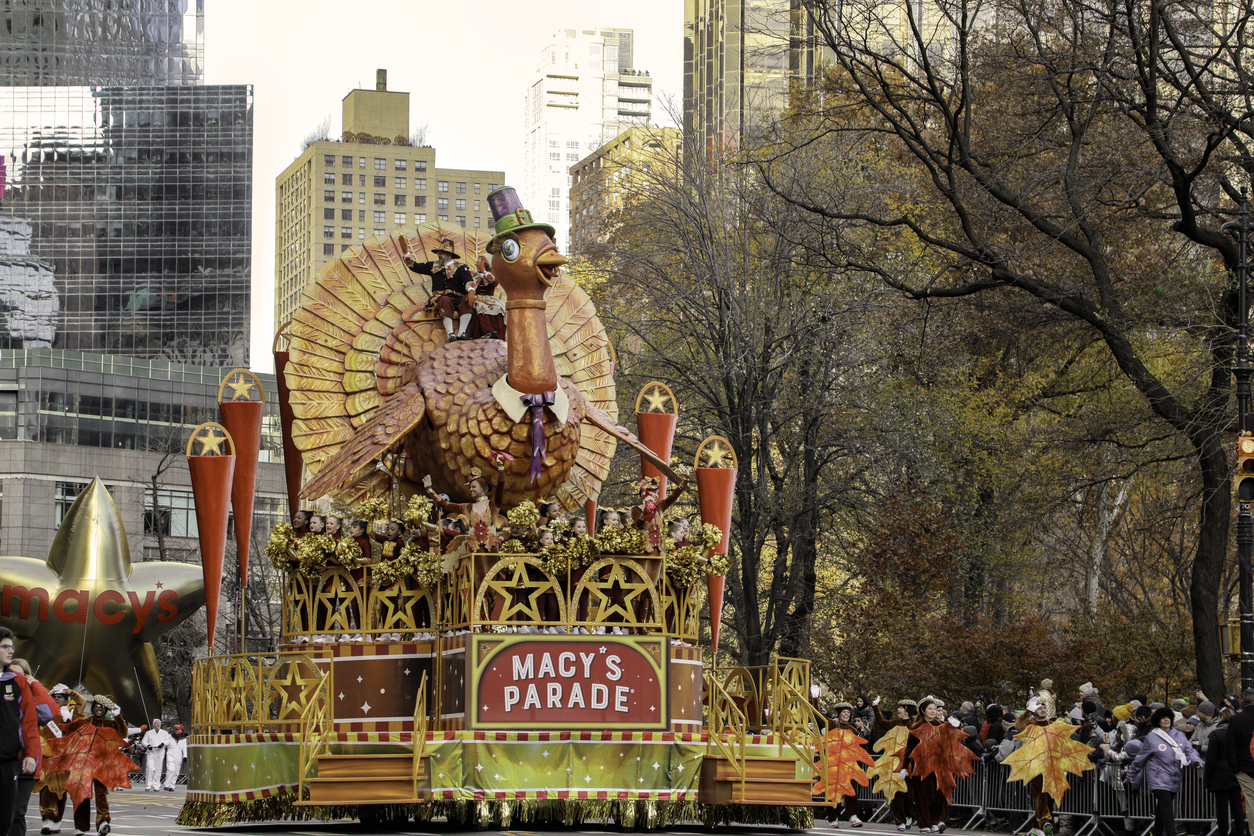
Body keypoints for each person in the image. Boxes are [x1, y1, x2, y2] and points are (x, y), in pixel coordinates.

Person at [42, 696, 132, 836]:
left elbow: (123, 733)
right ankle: (81, 827)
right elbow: (68, 733)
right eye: (97, 705)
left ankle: (103, 821)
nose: (99, 709)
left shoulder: (109, 723)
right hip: (83, 764)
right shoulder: (84, 722)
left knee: (101, 794)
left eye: (103, 707)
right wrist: (65, 718)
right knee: (81, 796)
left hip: (102, 764)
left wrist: (118, 716)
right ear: (93, 706)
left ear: (106, 710)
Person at [1126, 706, 1202, 836]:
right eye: (1163, 718)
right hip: (1158, 778)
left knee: (1162, 809)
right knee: (1166, 805)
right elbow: (1140, 758)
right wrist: (1130, 776)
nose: (1166, 720)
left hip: (1175, 777)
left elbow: (1189, 751)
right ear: (1158, 721)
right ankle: (1171, 833)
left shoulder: (1179, 735)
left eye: (1168, 717)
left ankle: (1157, 833)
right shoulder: (1152, 737)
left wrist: (1196, 761)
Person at [0, 631, 40, 836]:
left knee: (7, 818)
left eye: (12, 647)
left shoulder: (17, 681)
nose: (11, 651)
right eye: (5, 647)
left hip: (8, 761)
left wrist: (31, 754)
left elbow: (29, 722)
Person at [6, 657, 51, 836]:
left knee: (17, 812)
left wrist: (36, 686)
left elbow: (48, 714)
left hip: (27, 760)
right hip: (7, 758)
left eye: (20, 675)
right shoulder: (6, 693)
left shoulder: (32, 696)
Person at [402, 236, 474, 341]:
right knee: (444, 300)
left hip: (457, 297)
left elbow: (468, 279)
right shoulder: (433, 266)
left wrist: (471, 291)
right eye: (438, 253)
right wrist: (406, 253)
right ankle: (450, 334)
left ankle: (462, 333)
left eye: (441, 253)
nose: (439, 254)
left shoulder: (461, 267)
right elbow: (414, 266)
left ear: (449, 255)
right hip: (440, 297)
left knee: (466, 301)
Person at [38, 685, 82, 835]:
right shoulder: (44, 713)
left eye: (60, 696)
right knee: (45, 789)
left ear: (66, 700)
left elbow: (81, 702)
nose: (57, 698)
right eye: (54, 696)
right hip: (47, 758)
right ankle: (47, 819)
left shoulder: (70, 714)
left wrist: (70, 692)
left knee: (60, 792)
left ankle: (57, 820)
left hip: (65, 759)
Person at [1205, 708, 1246, 836]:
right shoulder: (1238, 733)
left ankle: (1223, 832)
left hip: (1220, 774)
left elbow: (1211, 758)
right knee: (1237, 805)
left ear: (1221, 718)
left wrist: (1208, 778)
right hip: (1236, 772)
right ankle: (1240, 831)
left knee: (1222, 806)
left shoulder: (1216, 734)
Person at [1225, 688, 1254, 825]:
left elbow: (1231, 745)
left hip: (1245, 768)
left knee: (1252, 803)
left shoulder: (1236, 720)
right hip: (1245, 765)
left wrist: (1235, 768)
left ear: (1243, 702)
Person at [468, 256, 506, 340]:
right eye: (478, 264)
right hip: (477, 298)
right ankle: (487, 331)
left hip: (490, 298)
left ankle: (499, 334)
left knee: (499, 308)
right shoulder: (472, 275)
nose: (479, 266)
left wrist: (484, 271)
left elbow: (495, 283)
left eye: (481, 264)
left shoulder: (490, 275)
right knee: (481, 306)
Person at [139, 720, 171, 791]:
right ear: (153, 724)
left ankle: (156, 784)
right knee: (150, 767)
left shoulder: (164, 733)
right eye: (156, 723)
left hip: (160, 751)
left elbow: (168, 741)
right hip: (151, 751)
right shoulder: (149, 733)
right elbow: (143, 741)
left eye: (159, 723)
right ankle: (148, 784)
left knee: (158, 768)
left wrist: (163, 744)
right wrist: (148, 745)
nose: (158, 724)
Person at [162, 725, 186, 791]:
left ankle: (172, 785)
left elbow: (184, 747)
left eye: (178, 729)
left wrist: (185, 756)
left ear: (181, 730)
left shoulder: (184, 739)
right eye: (176, 729)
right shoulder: (170, 736)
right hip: (170, 753)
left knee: (176, 771)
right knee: (170, 769)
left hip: (178, 755)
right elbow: (166, 742)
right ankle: (166, 784)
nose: (176, 731)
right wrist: (163, 744)